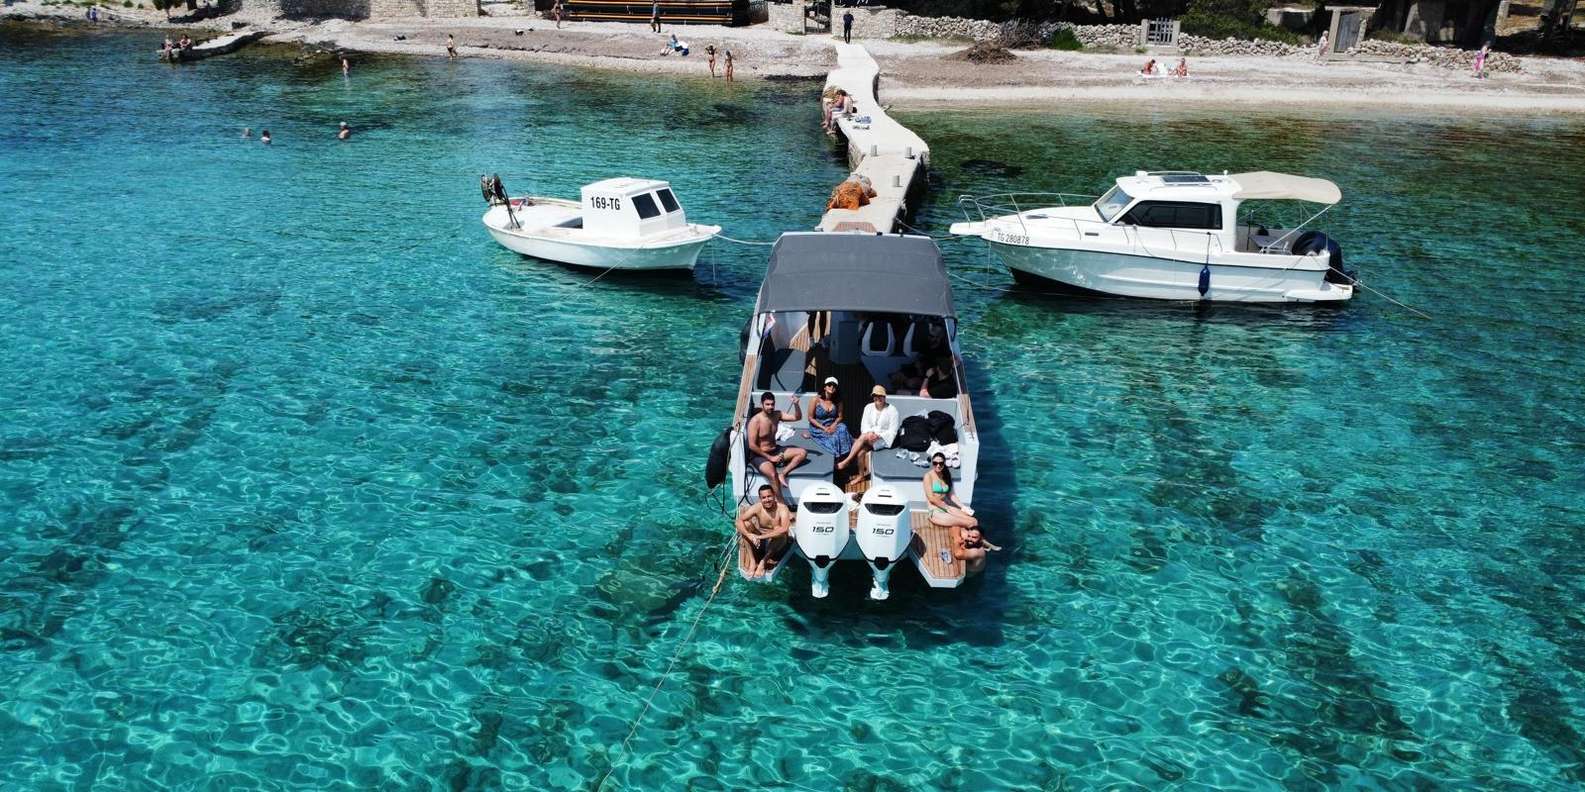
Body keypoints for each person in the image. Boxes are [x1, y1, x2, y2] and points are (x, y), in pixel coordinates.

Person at [747, 391, 807, 497]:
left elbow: (797, 417)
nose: (770, 407)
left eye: (772, 404)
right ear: (762, 404)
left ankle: (783, 474)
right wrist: (770, 458)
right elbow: (752, 445)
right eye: (767, 404)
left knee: (802, 453)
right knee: (772, 474)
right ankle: (780, 502)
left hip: (775, 450)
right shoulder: (755, 421)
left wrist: (796, 405)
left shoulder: (777, 414)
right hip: (760, 455)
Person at [837, 385, 898, 474]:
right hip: (868, 437)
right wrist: (870, 433)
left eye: (880, 396)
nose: (878, 398)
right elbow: (864, 425)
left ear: (884, 397)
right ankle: (861, 476)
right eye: (875, 396)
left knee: (860, 439)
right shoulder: (868, 407)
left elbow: (893, 431)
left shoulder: (892, 410)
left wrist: (878, 435)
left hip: (883, 440)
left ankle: (847, 461)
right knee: (860, 453)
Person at [736, 485, 792, 579]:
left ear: (774, 496)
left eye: (769, 496)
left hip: (776, 542)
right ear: (760, 498)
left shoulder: (782, 508)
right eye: (764, 497)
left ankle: (763, 561)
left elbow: (784, 529)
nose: (767, 500)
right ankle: (752, 561)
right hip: (760, 538)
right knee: (746, 525)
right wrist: (749, 535)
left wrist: (759, 537)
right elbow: (738, 521)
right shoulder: (757, 507)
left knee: (780, 531)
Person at [924, 452, 976, 532]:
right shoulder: (928, 476)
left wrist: (963, 507)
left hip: (947, 508)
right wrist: (948, 509)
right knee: (969, 523)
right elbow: (931, 498)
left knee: (974, 521)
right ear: (932, 463)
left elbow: (952, 495)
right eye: (935, 463)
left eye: (941, 463)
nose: (938, 465)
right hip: (935, 511)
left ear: (944, 463)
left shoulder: (946, 475)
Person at [806, 377, 853, 460]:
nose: (832, 387)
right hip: (819, 427)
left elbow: (840, 417)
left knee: (843, 428)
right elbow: (810, 418)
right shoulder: (815, 400)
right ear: (824, 387)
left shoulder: (838, 401)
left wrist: (833, 425)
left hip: (832, 425)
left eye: (834, 386)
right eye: (829, 385)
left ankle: (845, 456)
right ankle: (837, 459)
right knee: (833, 438)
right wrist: (824, 428)